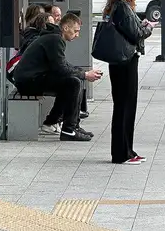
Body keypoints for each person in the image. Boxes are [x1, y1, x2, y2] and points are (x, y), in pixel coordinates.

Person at [13, 13, 102, 141]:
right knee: (73, 83)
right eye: (75, 31)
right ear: (65, 28)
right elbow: (61, 68)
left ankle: (59, 124)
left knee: (71, 82)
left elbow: (62, 65)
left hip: (29, 79)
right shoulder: (55, 39)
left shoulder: (53, 37)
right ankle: (69, 129)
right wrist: (85, 74)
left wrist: (82, 73)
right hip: (28, 82)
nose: (77, 35)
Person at [103, 0, 154, 165]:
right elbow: (135, 34)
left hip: (121, 61)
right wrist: (147, 28)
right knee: (125, 106)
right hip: (124, 62)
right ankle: (121, 153)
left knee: (125, 106)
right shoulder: (122, 8)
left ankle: (128, 150)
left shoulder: (117, 6)